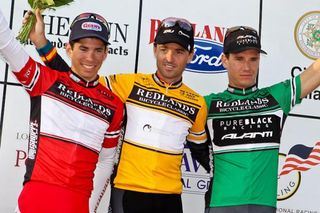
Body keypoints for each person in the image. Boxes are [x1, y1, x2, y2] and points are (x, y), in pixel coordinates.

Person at [27, 11, 212, 213]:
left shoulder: (197, 103)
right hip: (126, 192)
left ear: (190, 55)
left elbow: (205, 154)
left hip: (170, 199)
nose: (169, 58)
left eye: (178, 51)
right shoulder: (125, 84)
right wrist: (42, 45)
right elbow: (76, 83)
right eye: (164, 49)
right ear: (155, 51)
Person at [0, 9, 124, 213]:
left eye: (98, 50)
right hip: (33, 201)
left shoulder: (114, 105)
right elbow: (6, 43)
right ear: (69, 49)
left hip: (76, 205)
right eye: (83, 48)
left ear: (106, 53)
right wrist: (40, 41)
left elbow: (106, 160)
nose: (90, 57)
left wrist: (90, 208)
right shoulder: (43, 80)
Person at [204, 26, 320, 213]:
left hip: (263, 206)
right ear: (225, 60)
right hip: (221, 204)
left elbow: (316, 72)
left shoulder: (275, 98)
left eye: (253, 59)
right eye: (239, 59)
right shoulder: (208, 104)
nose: (247, 67)